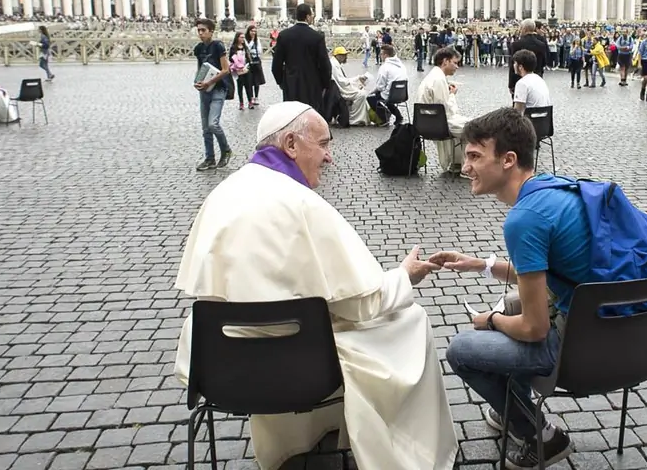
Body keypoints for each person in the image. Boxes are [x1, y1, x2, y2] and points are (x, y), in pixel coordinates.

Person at [173, 102, 459, 470]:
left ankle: (304, 433)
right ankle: (410, 453)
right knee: (412, 319)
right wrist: (404, 275)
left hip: (221, 367)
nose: (329, 158)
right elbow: (362, 304)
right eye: (324, 144)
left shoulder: (221, 195)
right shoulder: (301, 203)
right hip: (302, 368)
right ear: (291, 143)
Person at [430, 107, 596, 469]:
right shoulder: (559, 191)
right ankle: (511, 409)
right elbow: (544, 272)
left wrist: (489, 321)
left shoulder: (524, 219)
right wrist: (481, 264)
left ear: (508, 160)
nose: (464, 166)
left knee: (461, 349)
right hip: (633, 338)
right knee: (512, 302)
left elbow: (535, 329)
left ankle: (543, 436)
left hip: (584, 352)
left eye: (474, 156)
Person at [417, 46, 473, 175]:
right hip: (437, 124)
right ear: (445, 61)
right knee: (473, 127)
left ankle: (457, 162)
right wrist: (452, 94)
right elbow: (445, 109)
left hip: (425, 121)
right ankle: (466, 168)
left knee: (468, 123)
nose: (457, 67)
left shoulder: (433, 76)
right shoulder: (438, 79)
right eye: (455, 63)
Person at [271, 3, 332, 117]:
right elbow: (325, 65)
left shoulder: (284, 35)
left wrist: (281, 82)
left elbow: (276, 64)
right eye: (312, 15)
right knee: (310, 116)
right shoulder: (316, 37)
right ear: (308, 17)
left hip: (291, 83)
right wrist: (325, 84)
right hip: (313, 84)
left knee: (292, 117)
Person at [192, 18, 233, 171]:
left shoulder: (218, 46)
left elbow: (225, 69)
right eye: (199, 30)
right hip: (205, 90)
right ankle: (210, 158)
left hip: (218, 89)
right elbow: (200, 68)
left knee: (213, 124)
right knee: (205, 128)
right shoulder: (198, 48)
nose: (201, 33)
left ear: (211, 31)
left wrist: (209, 82)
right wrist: (198, 81)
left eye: (203, 30)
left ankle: (226, 150)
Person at [367, 44, 408, 126]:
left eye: (381, 54)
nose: (380, 56)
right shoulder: (402, 65)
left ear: (386, 55)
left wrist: (371, 92)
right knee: (388, 94)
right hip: (402, 94)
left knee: (371, 98)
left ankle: (384, 118)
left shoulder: (384, 67)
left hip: (390, 95)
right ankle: (398, 116)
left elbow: (380, 87)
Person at [329, 46, 371, 126]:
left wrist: (357, 82)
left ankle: (359, 118)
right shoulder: (334, 66)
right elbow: (342, 82)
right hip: (340, 90)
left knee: (361, 91)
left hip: (340, 88)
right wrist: (357, 79)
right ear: (339, 56)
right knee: (361, 94)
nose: (346, 57)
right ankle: (355, 119)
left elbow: (343, 81)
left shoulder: (335, 64)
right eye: (344, 55)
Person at [508, 19, 547, 98]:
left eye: (521, 28)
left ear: (524, 29)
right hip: (537, 79)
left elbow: (513, 66)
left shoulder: (516, 45)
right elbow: (544, 62)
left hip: (519, 80)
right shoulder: (541, 45)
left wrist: (511, 84)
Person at [229, 32, 254, 111]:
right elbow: (231, 58)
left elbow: (248, 56)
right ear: (237, 38)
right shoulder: (233, 47)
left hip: (246, 69)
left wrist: (248, 64)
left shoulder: (245, 47)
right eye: (241, 37)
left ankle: (250, 102)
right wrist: (237, 63)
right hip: (238, 70)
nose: (243, 39)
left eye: (243, 37)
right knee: (240, 87)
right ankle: (241, 103)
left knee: (249, 86)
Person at [243, 25, 267, 107]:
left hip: (256, 61)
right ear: (248, 31)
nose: (253, 33)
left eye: (255, 31)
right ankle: (251, 97)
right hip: (249, 62)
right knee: (249, 80)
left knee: (257, 80)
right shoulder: (245, 40)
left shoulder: (258, 40)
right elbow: (247, 49)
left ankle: (256, 97)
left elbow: (259, 50)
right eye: (252, 31)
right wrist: (252, 41)